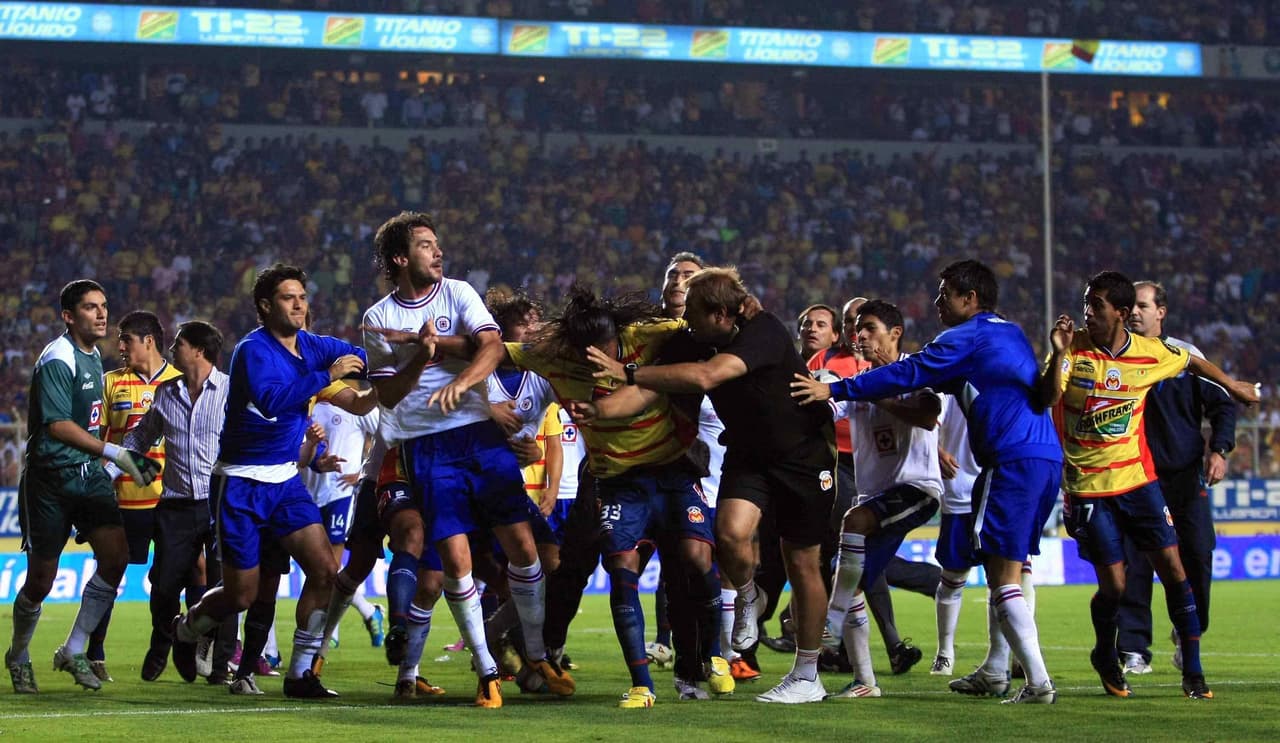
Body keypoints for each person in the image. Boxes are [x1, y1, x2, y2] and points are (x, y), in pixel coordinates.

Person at [791, 259, 1062, 704]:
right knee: (1006, 569)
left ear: (969, 299)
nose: (937, 302)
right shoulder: (1009, 333)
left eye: (944, 294)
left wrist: (835, 389)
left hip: (1009, 461)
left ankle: (1037, 683)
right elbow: (1037, 392)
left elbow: (911, 373)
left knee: (1003, 574)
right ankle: (995, 670)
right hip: (1044, 456)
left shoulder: (964, 337)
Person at [582, 267, 835, 704]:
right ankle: (748, 595)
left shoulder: (765, 330)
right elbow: (648, 391)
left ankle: (807, 675)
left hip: (804, 456)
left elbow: (705, 376)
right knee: (731, 535)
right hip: (750, 456)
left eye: (695, 315)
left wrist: (629, 372)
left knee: (802, 563)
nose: (688, 323)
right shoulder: (694, 337)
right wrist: (598, 413)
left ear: (720, 313)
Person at [362, 211, 571, 708]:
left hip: (478, 434)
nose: (438, 252)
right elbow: (388, 393)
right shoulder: (378, 318)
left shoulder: (458, 292)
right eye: (426, 245)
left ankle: (537, 654)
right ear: (400, 257)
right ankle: (486, 670)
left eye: (437, 244)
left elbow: (493, 346)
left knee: (523, 545)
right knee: (455, 561)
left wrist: (460, 380)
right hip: (426, 444)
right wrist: (422, 358)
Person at [1038, 270, 1257, 701]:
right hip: (1087, 487)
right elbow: (1044, 400)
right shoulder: (1073, 349)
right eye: (1086, 302)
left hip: (1139, 481)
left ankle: (1193, 671)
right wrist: (1058, 354)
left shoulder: (1150, 353)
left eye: (1095, 305)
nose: (1087, 312)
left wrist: (1232, 385)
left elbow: (1191, 360)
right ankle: (1106, 651)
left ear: (1119, 313)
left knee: (1176, 571)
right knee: (1115, 587)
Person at [506, 285, 725, 708]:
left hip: (674, 466)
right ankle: (550, 650)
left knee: (686, 569)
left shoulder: (677, 337)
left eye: (691, 281)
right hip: (611, 473)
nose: (683, 287)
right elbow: (508, 352)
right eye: (676, 279)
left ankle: (696, 666)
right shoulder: (638, 335)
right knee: (584, 565)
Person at [169, 264, 367, 699]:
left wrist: (394, 358)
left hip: (285, 481)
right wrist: (329, 376)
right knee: (242, 594)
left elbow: (359, 354)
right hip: (240, 482)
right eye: (287, 297)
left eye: (302, 296)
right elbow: (274, 400)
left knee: (325, 569)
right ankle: (185, 630)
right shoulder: (252, 351)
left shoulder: (312, 345)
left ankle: (300, 674)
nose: (299, 304)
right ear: (265, 306)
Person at [7, 280, 158, 693]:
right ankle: (18, 655)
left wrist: (110, 457)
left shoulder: (94, 358)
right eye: (91, 308)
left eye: (104, 306)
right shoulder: (58, 358)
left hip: (87, 476)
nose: (102, 314)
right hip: (50, 480)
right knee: (41, 580)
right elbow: (58, 426)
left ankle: (73, 649)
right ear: (69, 316)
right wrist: (116, 453)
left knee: (116, 557)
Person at [821, 300, 942, 698]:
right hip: (877, 495)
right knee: (848, 573)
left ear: (895, 333)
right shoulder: (859, 382)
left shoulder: (915, 368)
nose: (861, 336)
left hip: (917, 488)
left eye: (870, 328)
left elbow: (927, 413)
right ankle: (864, 681)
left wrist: (878, 394)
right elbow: (828, 408)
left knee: (853, 522)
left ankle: (831, 625)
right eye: (857, 329)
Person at [1117, 280, 1236, 676]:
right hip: (1135, 478)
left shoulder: (1186, 357)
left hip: (1185, 479)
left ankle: (1190, 637)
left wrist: (1219, 449)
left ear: (1161, 312)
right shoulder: (1118, 359)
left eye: (1142, 305)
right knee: (1136, 564)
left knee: (1198, 555)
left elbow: (1223, 406)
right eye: (1130, 306)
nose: (1134, 312)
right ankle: (1133, 649)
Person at [120, 322, 234, 687]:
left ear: (199, 350)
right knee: (165, 585)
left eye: (180, 344)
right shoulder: (166, 393)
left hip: (219, 503)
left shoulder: (231, 391)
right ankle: (164, 641)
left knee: (225, 587)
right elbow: (142, 435)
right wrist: (118, 459)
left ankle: (217, 664)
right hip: (175, 507)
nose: (172, 351)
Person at [89, 310, 183, 682]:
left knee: (177, 579)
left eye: (125, 339)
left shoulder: (181, 381)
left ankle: (185, 650)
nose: (119, 346)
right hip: (123, 500)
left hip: (172, 500)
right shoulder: (111, 383)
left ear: (148, 341)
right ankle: (94, 653)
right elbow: (97, 439)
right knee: (108, 575)